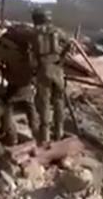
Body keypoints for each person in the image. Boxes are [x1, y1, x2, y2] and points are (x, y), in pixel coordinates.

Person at [30, 8, 72, 143]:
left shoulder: (34, 33)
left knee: (44, 103)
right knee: (59, 101)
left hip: (43, 69)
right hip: (57, 69)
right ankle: (59, 132)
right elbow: (69, 43)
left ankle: (45, 136)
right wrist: (62, 59)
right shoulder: (57, 31)